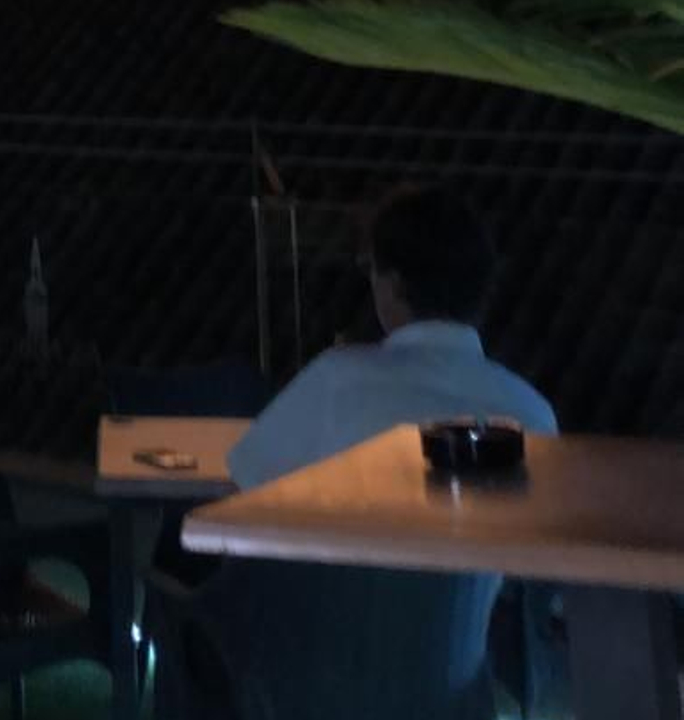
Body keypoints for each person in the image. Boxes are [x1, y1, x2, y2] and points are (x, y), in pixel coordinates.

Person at [230, 184, 556, 492]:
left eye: (370, 268)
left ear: (392, 282)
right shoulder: (533, 415)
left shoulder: (337, 382)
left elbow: (248, 476)